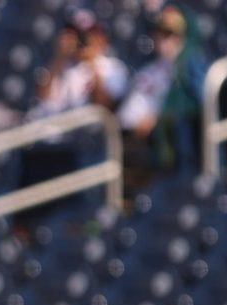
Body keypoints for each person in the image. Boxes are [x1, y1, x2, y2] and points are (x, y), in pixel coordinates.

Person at [116, 5, 206, 178]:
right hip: (125, 134)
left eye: (170, 34)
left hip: (160, 137)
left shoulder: (189, 66)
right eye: (160, 33)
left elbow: (197, 102)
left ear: (183, 37)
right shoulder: (146, 69)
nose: (164, 39)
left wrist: (157, 118)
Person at [29, 13, 128, 120]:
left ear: (101, 37)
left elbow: (105, 105)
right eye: (77, 34)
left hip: (93, 130)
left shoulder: (114, 67)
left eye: (89, 34)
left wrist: (92, 63)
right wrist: (59, 57)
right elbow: (43, 97)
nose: (83, 40)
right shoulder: (63, 67)